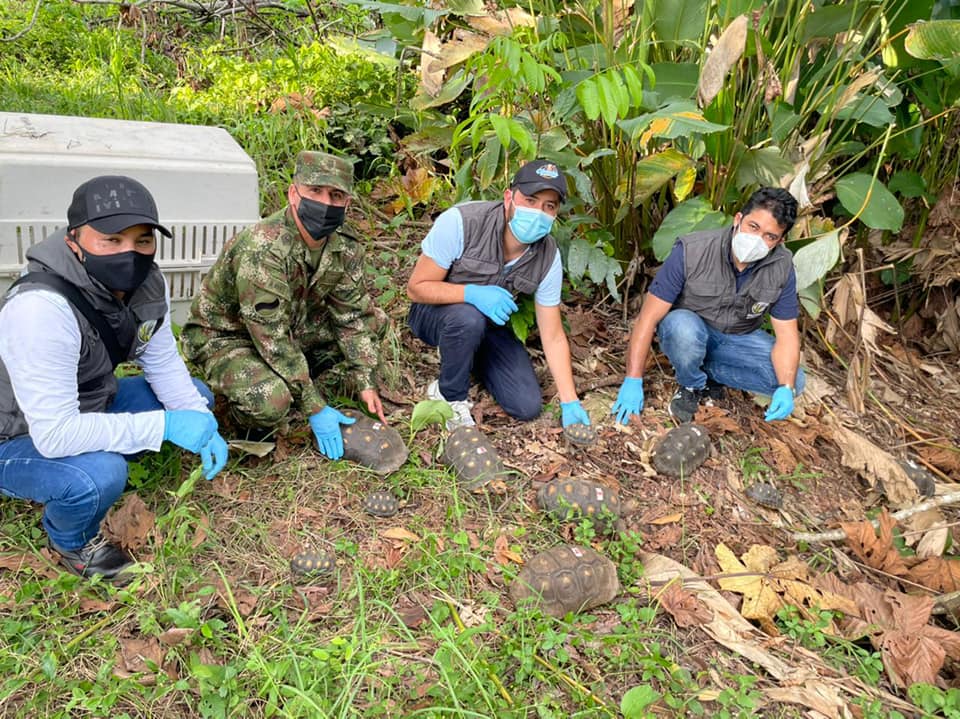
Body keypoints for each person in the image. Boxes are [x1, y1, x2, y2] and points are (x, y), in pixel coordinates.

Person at [0, 175, 229, 582]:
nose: (130, 252)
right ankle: (71, 539)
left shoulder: (145, 283)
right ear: (74, 240)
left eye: (142, 240)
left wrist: (197, 417)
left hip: (87, 401)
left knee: (196, 395)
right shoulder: (39, 309)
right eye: (111, 240)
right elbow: (54, 434)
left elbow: (163, 364)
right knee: (99, 474)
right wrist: (166, 425)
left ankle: (97, 457)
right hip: (16, 432)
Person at [182, 151, 387, 461]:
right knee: (271, 402)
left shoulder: (344, 244)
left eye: (336, 195)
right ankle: (237, 414)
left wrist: (366, 382)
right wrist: (314, 407)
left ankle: (295, 381)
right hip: (228, 337)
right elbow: (273, 338)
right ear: (294, 193)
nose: (326, 203)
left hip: (291, 324)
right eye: (315, 192)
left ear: (347, 203)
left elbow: (353, 315)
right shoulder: (263, 249)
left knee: (376, 323)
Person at [406, 159, 590, 430]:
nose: (538, 211)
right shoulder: (462, 222)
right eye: (530, 200)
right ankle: (449, 397)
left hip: (490, 326)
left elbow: (552, 334)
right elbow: (416, 288)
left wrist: (569, 399)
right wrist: (471, 293)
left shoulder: (548, 256)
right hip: (437, 314)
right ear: (509, 197)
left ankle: (469, 357)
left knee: (526, 406)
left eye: (548, 206)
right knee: (468, 319)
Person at [612, 187, 806, 425]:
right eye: (753, 227)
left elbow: (787, 336)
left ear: (779, 241)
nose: (757, 240)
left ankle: (709, 372)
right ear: (738, 219)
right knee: (682, 328)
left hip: (737, 338)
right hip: (688, 332)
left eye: (770, 236)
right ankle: (691, 383)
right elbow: (648, 318)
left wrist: (785, 388)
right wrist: (633, 380)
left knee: (795, 380)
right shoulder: (693, 250)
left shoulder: (782, 266)